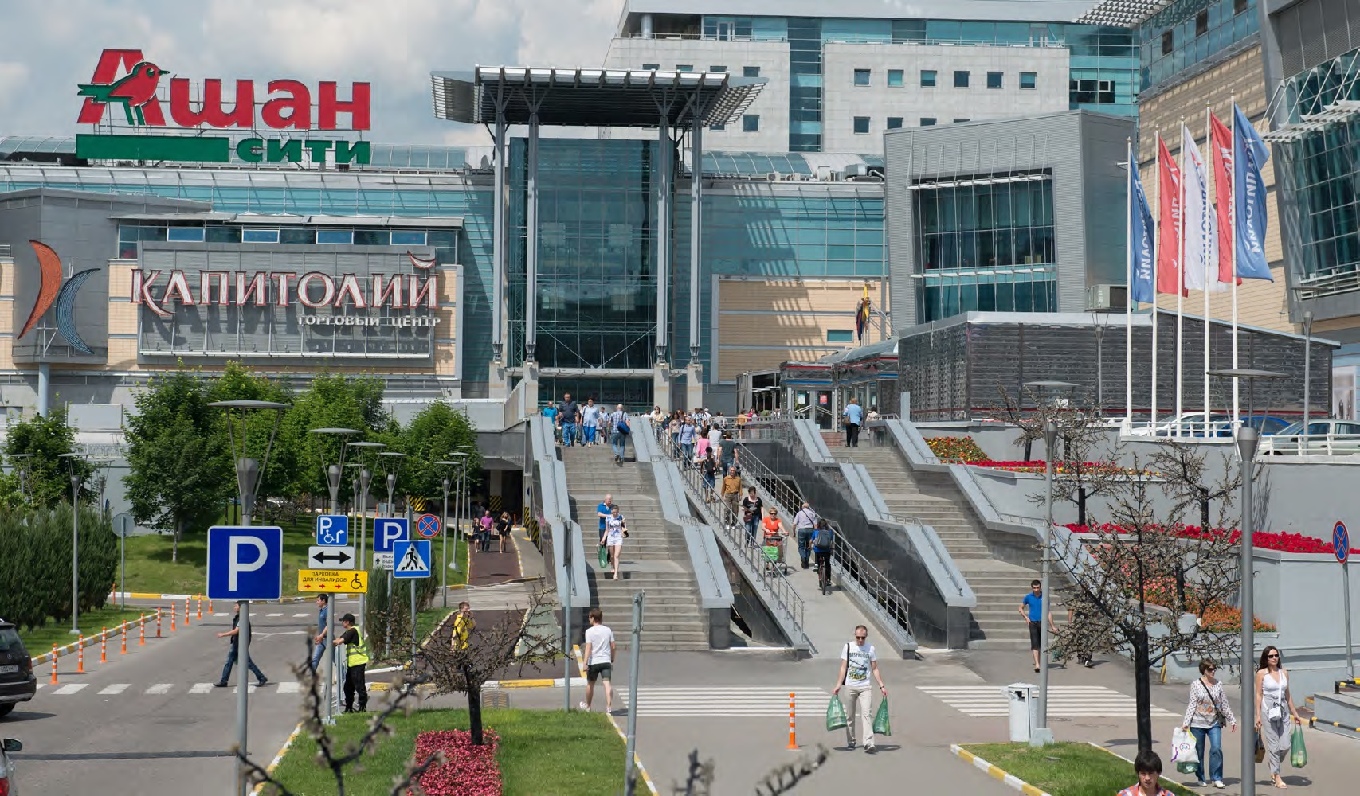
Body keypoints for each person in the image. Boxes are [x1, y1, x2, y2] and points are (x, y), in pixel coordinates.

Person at [1181, 658, 1236, 789]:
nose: (1213, 671)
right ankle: (1200, 777)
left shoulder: (1218, 684)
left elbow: (1224, 704)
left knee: (1216, 748)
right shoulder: (1196, 684)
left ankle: (1217, 777)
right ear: (1204, 670)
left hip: (1214, 722)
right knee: (1199, 752)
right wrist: (1186, 722)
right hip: (1197, 723)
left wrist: (1232, 719)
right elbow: (1192, 704)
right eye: (1210, 669)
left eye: (1214, 669)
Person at [832, 625, 887, 754]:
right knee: (850, 716)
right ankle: (851, 741)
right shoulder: (848, 647)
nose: (860, 640)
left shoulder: (870, 649)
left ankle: (869, 743)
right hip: (850, 686)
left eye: (863, 638)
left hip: (865, 687)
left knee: (867, 714)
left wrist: (881, 685)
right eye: (858, 637)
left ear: (866, 636)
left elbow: (874, 668)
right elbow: (843, 667)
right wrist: (838, 684)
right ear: (855, 636)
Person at [1255, 645, 1301, 789]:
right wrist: (1258, 715)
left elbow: (1287, 694)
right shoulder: (1261, 674)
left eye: (1276, 655)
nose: (1274, 658)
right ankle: (1277, 776)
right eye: (1271, 656)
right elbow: (1258, 695)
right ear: (1266, 658)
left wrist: (1294, 712)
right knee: (1273, 745)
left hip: (1283, 711)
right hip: (1268, 711)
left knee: (1286, 745)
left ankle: (1273, 763)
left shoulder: (1284, 672)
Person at [215, 602, 268, 688]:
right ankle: (224, 680)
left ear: (241, 607)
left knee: (246, 662)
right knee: (230, 662)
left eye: (236, 606)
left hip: (240, 644)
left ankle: (261, 677)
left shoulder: (242, 618)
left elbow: (236, 631)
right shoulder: (239, 617)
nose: (234, 607)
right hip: (236, 643)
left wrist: (223, 634)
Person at [580, 608, 616, 714]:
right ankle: (608, 707)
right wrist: (612, 658)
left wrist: (585, 663)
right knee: (607, 684)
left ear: (593, 618)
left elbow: (588, 648)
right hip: (606, 661)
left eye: (589, 617)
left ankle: (588, 706)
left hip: (593, 662)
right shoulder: (608, 630)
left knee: (590, 684)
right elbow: (613, 646)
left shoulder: (589, 631)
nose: (589, 619)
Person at [331, 613, 369, 713]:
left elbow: (340, 641)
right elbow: (339, 639)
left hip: (358, 663)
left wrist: (330, 642)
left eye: (343, 621)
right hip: (352, 664)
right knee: (348, 687)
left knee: (359, 686)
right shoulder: (349, 631)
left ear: (347, 622)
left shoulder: (353, 631)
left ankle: (362, 708)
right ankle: (349, 708)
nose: (342, 623)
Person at [1018, 579, 1057, 674]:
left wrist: (1052, 625)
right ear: (1032, 588)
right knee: (1035, 644)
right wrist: (1026, 617)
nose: (1036, 589)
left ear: (1040, 587)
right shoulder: (1028, 597)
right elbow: (1020, 607)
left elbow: (1048, 612)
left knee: (1042, 644)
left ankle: (1041, 661)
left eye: (1038, 588)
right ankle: (1037, 664)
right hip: (1032, 622)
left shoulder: (1044, 597)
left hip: (1042, 622)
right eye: (1034, 588)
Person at [603, 505, 627, 580]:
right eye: (613, 512)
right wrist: (604, 537)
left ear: (618, 511)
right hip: (610, 537)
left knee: (616, 555)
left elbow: (624, 528)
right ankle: (612, 566)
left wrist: (623, 524)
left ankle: (616, 573)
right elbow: (607, 529)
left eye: (616, 512)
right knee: (612, 555)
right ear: (611, 511)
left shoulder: (621, 517)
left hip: (618, 537)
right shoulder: (608, 518)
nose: (615, 514)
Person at [793, 501, 818, 570]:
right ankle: (806, 561)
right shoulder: (812, 513)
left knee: (801, 547)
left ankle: (803, 557)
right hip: (810, 530)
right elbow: (815, 525)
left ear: (802, 507)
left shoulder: (799, 513)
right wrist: (815, 534)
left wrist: (794, 532)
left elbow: (794, 524)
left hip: (801, 530)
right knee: (808, 546)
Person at [812, 519, 835, 594]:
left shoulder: (816, 531)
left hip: (818, 550)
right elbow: (831, 541)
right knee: (827, 563)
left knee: (818, 559)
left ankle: (817, 566)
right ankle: (828, 579)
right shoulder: (830, 531)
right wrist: (832, 548)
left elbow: (811, 540)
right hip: (827, 550)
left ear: (818, 525)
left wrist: (809, 546)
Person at [761, 505, 788, 570]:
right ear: (769, 513)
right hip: (767, 538)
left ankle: (773, 565)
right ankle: (767, 563)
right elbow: (763, 526)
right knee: (767, 550)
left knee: (775, 552)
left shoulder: (778, 520)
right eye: (771, 513)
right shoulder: (766, 519)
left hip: (775, 538)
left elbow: (780, 526)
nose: (773, 515)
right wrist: (766, 529)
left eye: (774, 514)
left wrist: (784, 531)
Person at [310, 594, 328, 671]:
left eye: (318, 600)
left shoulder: (327, 611)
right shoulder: (321, 610)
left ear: (323, 601)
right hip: (321, 639)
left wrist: (322, 635)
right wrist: (319, 637)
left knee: (334, 658)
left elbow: (329, 625)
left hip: (328, 639)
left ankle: (344, 675)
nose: (316, 602)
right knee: (315, 658)